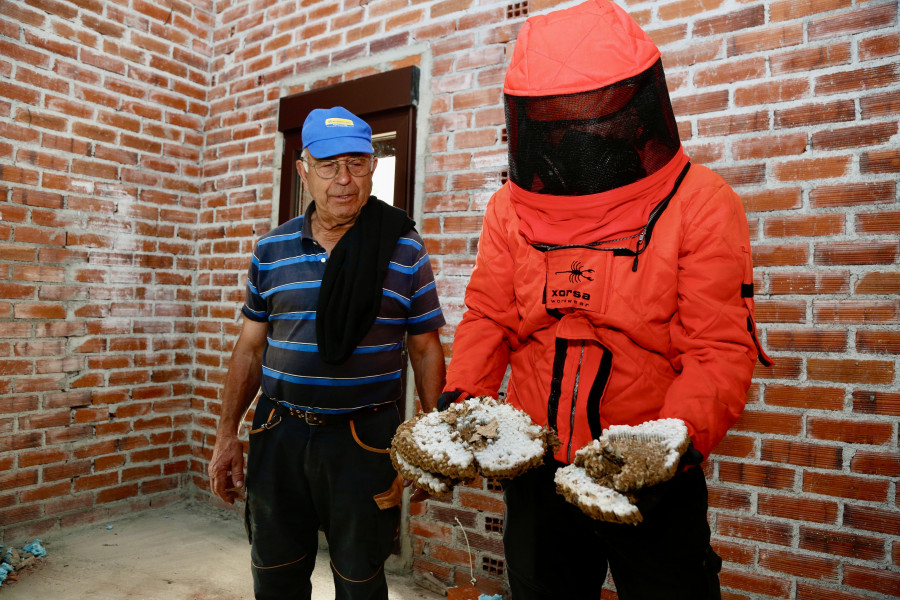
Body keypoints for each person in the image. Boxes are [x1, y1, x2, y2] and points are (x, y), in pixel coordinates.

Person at [439, 2, 771, 599]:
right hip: (537, 469)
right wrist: (463, 401)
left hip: (647, 473)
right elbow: (488, 315)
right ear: (529, 121)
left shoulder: (701, 201)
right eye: (556, 118)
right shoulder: (507, 209)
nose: (577, 133)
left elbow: (718, 346)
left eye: (594, 113)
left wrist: (670, 443)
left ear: (633, 108)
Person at [208, 106, 446, 600]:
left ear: (373, 167)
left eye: (357, 163)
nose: (344, 179)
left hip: (365, 441)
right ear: (303, 171)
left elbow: (424, 348)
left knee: (361, 578)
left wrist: (433, 444)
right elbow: (251, 348)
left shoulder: (403, 249)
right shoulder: (272, 250)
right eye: (328, 165)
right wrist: (226, 434)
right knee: (275, 573)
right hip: (279, 434)